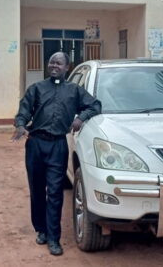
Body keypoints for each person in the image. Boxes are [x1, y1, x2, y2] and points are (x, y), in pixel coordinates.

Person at [10, 52, 101, 256]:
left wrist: (81, 118)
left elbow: (95, 105)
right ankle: (40, 230)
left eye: (59, 63)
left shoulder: (75, 91)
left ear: (67, 67)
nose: (54, 65)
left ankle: (53, 238)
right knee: (37, 190)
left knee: (55, 193)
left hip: (58, 146)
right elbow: (23, 111)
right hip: (35, 144)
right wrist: (21, 124)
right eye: (51, 61)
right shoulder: (36, 89)